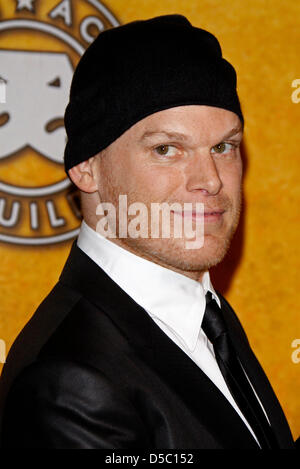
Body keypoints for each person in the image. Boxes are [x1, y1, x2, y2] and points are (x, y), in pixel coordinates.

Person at [0, 14, 295, 449]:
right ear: (86, 167)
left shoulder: (200, 312)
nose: (211, 180)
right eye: (166, 150)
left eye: (223, 147)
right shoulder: (67, 383)